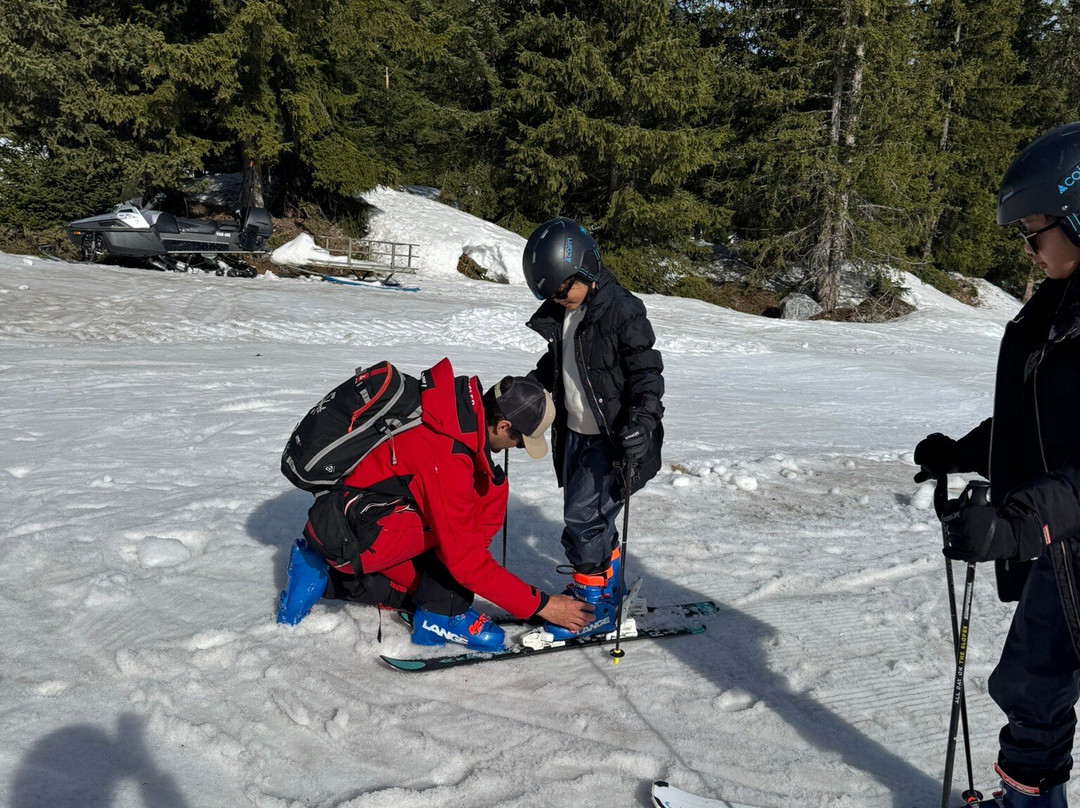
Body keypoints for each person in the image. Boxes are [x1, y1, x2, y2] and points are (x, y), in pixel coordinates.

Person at [914, 122, 1080, 808]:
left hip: (1059, 527)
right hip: (1064, 543)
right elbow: (1034, 427)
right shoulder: (1054, 312)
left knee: (1037, 680)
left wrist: (1018, 526)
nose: (1029, 247)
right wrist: (964, 452)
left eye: (1037, 228)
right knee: (1031, 685)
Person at [277, 357, 594, 651]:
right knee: (456, 537)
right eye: (520, 442)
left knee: (429, 576)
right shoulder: (447, 458)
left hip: (355, 515)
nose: (518, 449)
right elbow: (466, 562)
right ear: (503, 426)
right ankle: (442, 616)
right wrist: (542, 606)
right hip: (350, 533)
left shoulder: (452, 413)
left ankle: (326, 575)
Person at [521, 217, 665, 641]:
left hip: (614, 438)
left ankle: (594, 605)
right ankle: (607, 589)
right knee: (593, 519)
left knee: (582, 520)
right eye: (550, 294)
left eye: (563, 290)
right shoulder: (567, 310)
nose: (558, 299)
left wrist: (643, 420)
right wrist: (527, 389)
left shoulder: (622, 309)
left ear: (585, 267)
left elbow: (647, 373)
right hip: (576, 433)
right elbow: (559, 365)